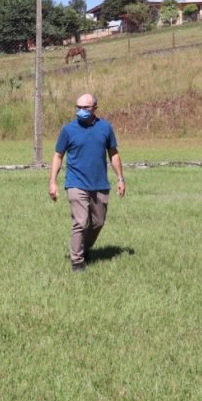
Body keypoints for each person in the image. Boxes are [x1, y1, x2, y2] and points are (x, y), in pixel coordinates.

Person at [48, 93, 126, 272]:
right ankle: (77, 262)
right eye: (78, 108)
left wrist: (120, 178)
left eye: (86, 108)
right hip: (76, 183)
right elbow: (58, 155)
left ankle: (84, 248)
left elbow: (113, 153)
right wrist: (53, 182)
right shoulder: (68, 130)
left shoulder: (105, 128)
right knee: (81, 222)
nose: (81, 111)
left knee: (98, 222)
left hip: (100, 184)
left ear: (95, 108)